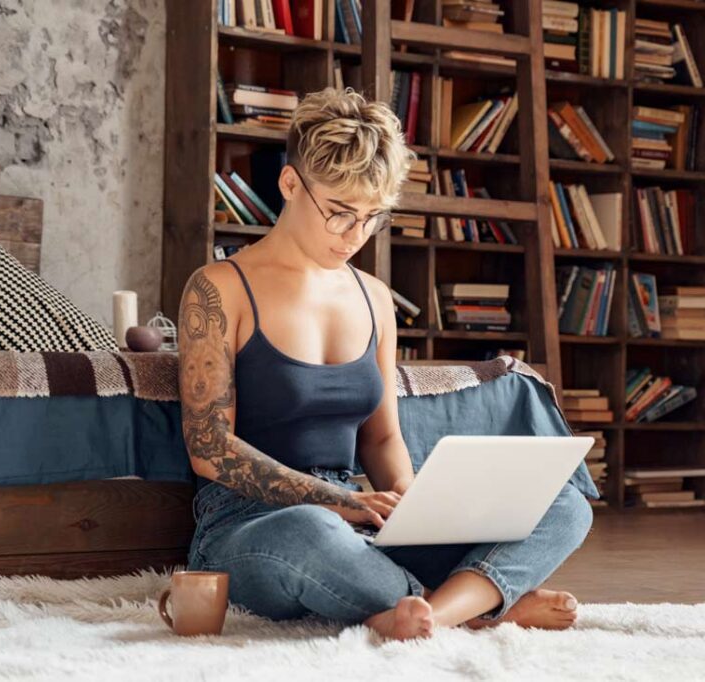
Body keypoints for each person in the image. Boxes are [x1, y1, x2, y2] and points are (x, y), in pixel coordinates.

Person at [179, 86, 594, 641]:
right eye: (340, 213)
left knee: (566, 505)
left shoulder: (375, 297)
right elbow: (210, 450)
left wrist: (416, 504)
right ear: (290, 184)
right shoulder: (218, 289)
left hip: (363, 521)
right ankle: (480, 607)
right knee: (313, 533)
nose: (356, 235)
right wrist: (339, 501)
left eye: (373, 217)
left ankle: (431, 615)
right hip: (250, 524)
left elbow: (380, 438)